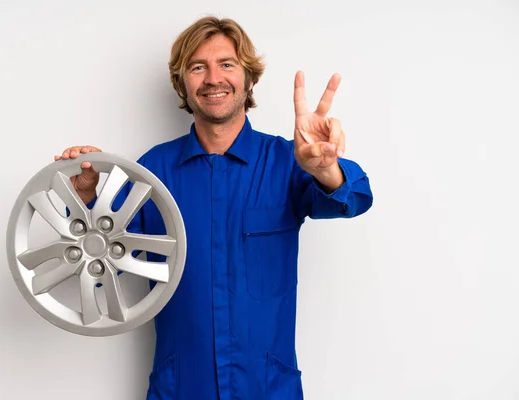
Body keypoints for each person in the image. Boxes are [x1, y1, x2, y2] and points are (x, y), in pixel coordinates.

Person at [54, 16, 373, 400]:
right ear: (183, 84)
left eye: (227, 64)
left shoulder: (288, 162)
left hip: (267, 387)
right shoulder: (153, 171)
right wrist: (87, 196)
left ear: (249, 79)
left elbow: (353, 199)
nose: (212, 78)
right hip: (182, 387)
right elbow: (100, 260)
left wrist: (327, 169)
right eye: (197, 67)